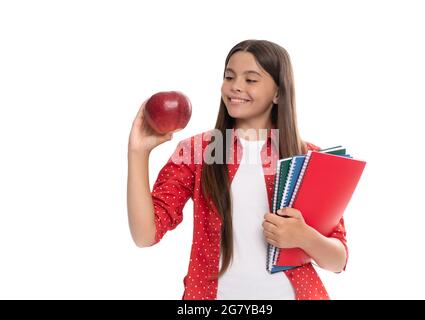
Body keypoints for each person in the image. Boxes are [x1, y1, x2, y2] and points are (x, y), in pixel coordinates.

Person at [127, 39, 348, 300]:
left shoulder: (310, 159)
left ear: (278, 92)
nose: (236, 87)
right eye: (229, 77)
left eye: (251, 79)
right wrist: (138, 153)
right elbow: (145, 234)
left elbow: (338, 260)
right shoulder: (197, 152)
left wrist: (304, 237)